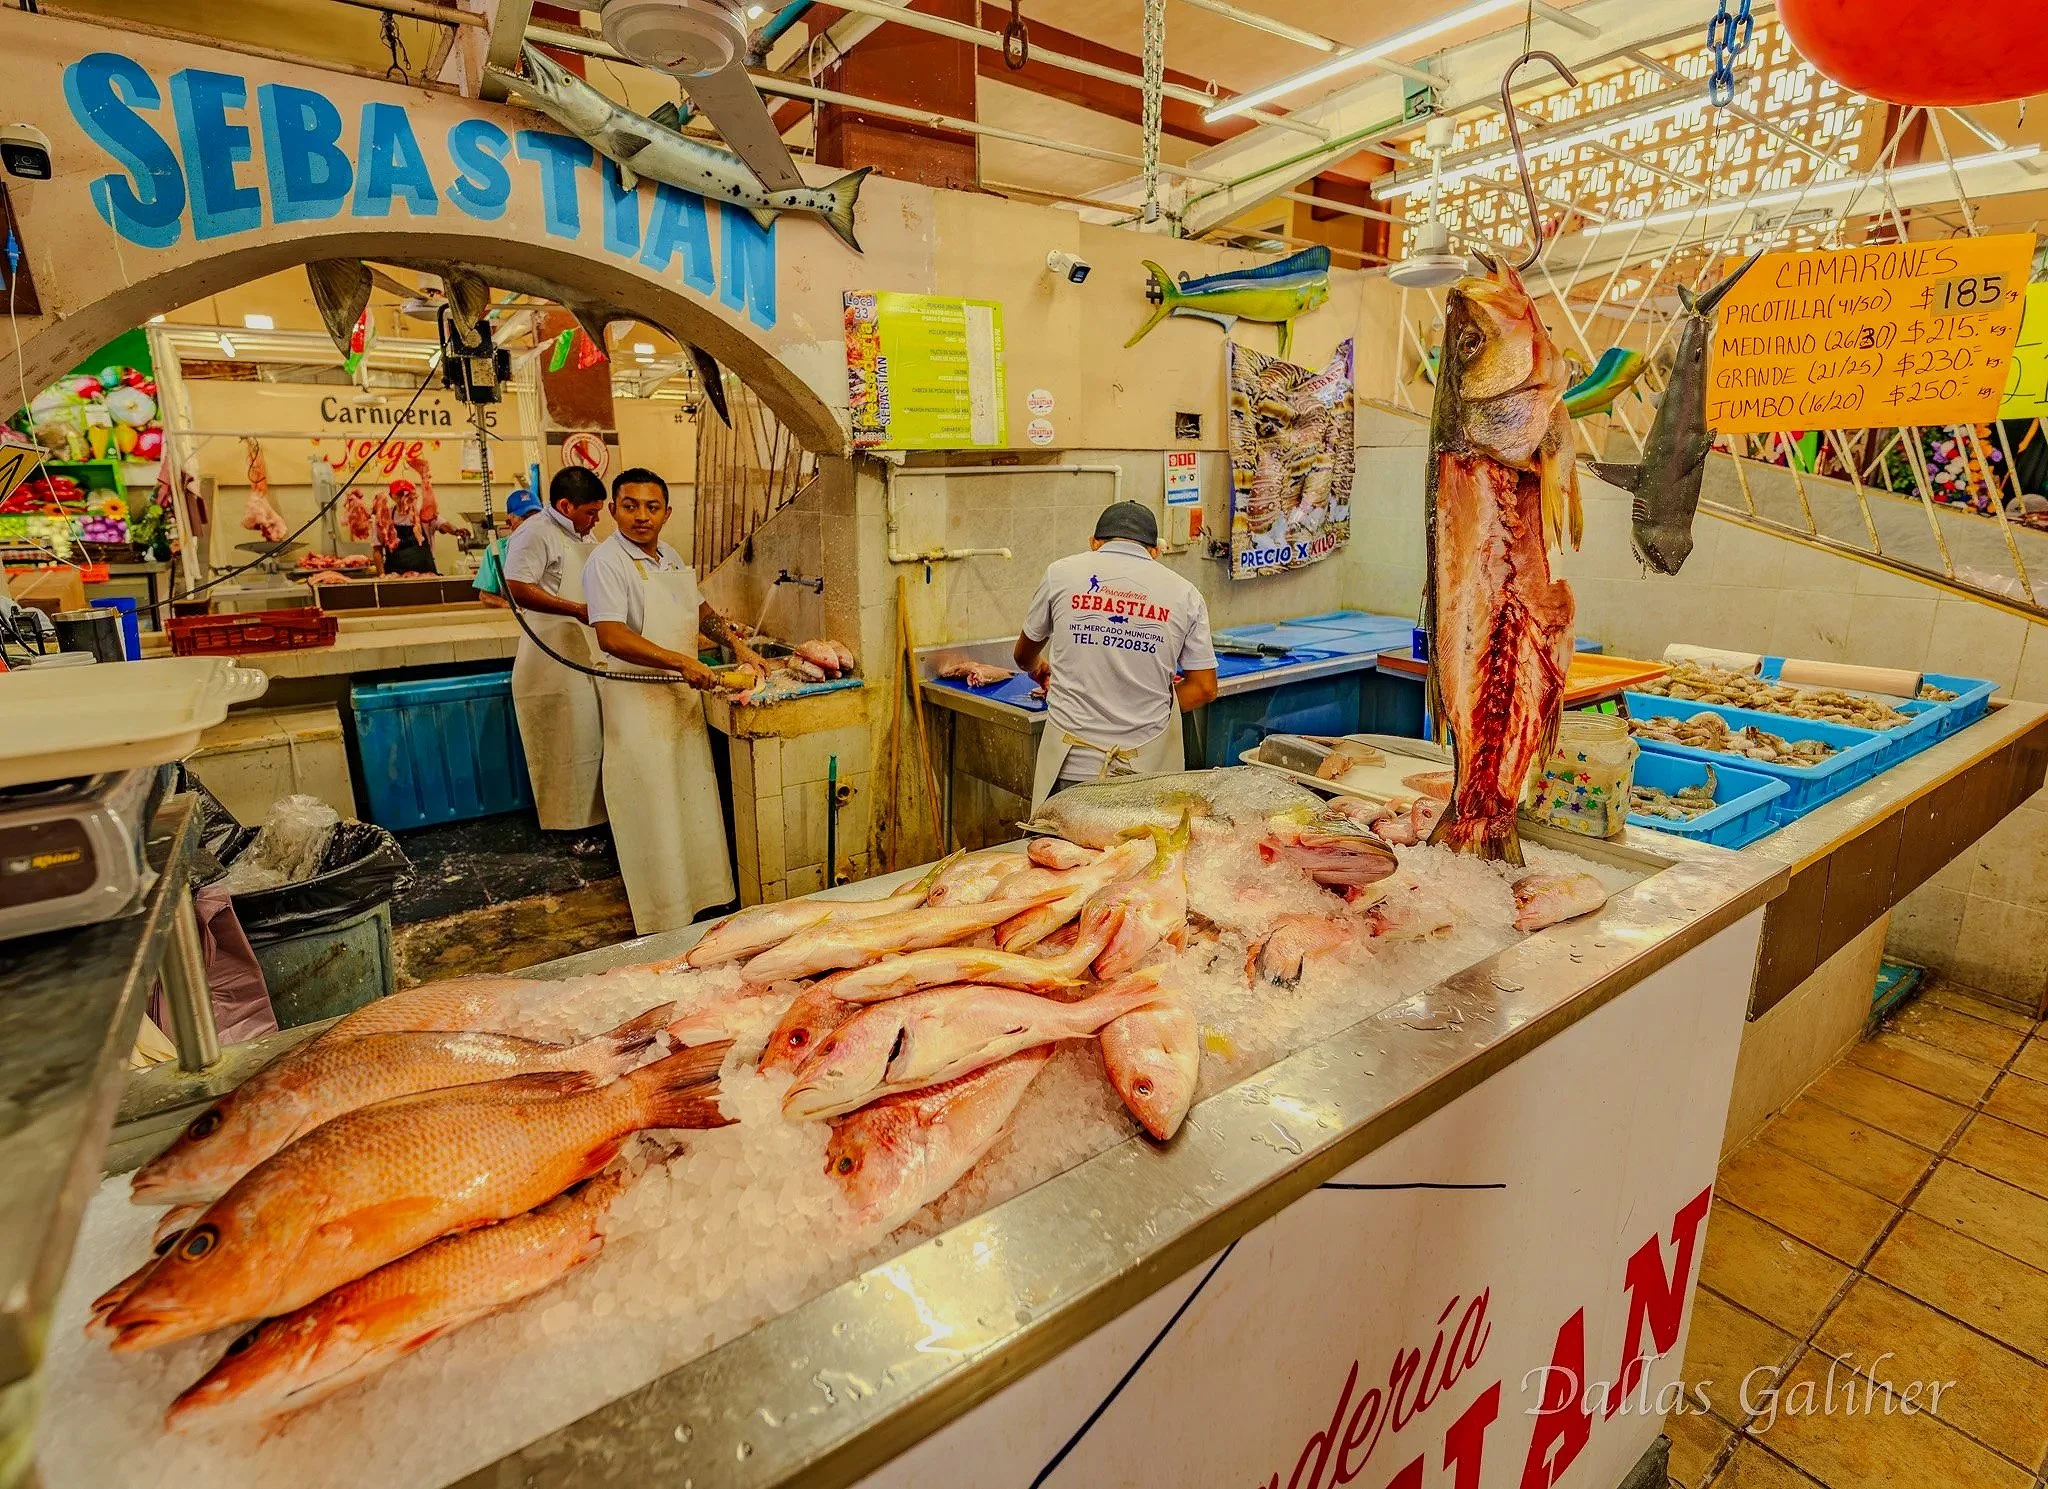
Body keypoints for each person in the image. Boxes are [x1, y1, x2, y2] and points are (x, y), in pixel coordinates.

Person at [583, 466, 770, 935]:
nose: (641, 516)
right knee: (653, 807)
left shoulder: (668, 554)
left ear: (667, 513)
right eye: (630, 506)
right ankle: (665, 919)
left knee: (692, 800)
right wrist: (680, 662)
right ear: (612, 510)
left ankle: (705, 903)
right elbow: (610, 635)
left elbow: (700, 611)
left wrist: (737, 645)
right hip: (638, 702)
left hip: (679, 702)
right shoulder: (606, 562)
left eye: (651, 507)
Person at [1014, 500, 1218, 812]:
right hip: (1144, 776)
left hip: (1070, 770)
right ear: (1155, 551)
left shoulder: (1061, 574)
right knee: (1133, 859)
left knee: (1062, 857)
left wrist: (1038, 668)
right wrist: (1140, 702)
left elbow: (1023, 655)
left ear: (1094, 543)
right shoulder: (1185, 593)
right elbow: (1205, 687)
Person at [504, 467, 608, 832]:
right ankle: (570, 828)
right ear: (565, 505)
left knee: (590, 738)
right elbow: (516, 587)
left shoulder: (582, 532)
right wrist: (576, 609)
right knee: (566, 744)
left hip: (584, 651)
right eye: (590, 512)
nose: (596, 520)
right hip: (551, 652)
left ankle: (594, 822)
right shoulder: (535, 533)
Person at [472, 487, 541, 609]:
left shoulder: (553, 543)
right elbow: (485, 595)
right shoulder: (496, 550)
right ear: (509, 522)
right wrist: (508, 605)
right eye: (525, 518)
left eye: (537, 517)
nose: (532, 523)